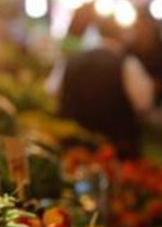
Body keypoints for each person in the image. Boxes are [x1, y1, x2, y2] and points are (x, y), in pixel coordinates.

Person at [58, 17, 155, 159]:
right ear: (122, 35)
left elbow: (53, 90)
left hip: (73, 148)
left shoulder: (73, 59)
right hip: (115, 151)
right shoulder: (128, 65)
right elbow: (144, 105)